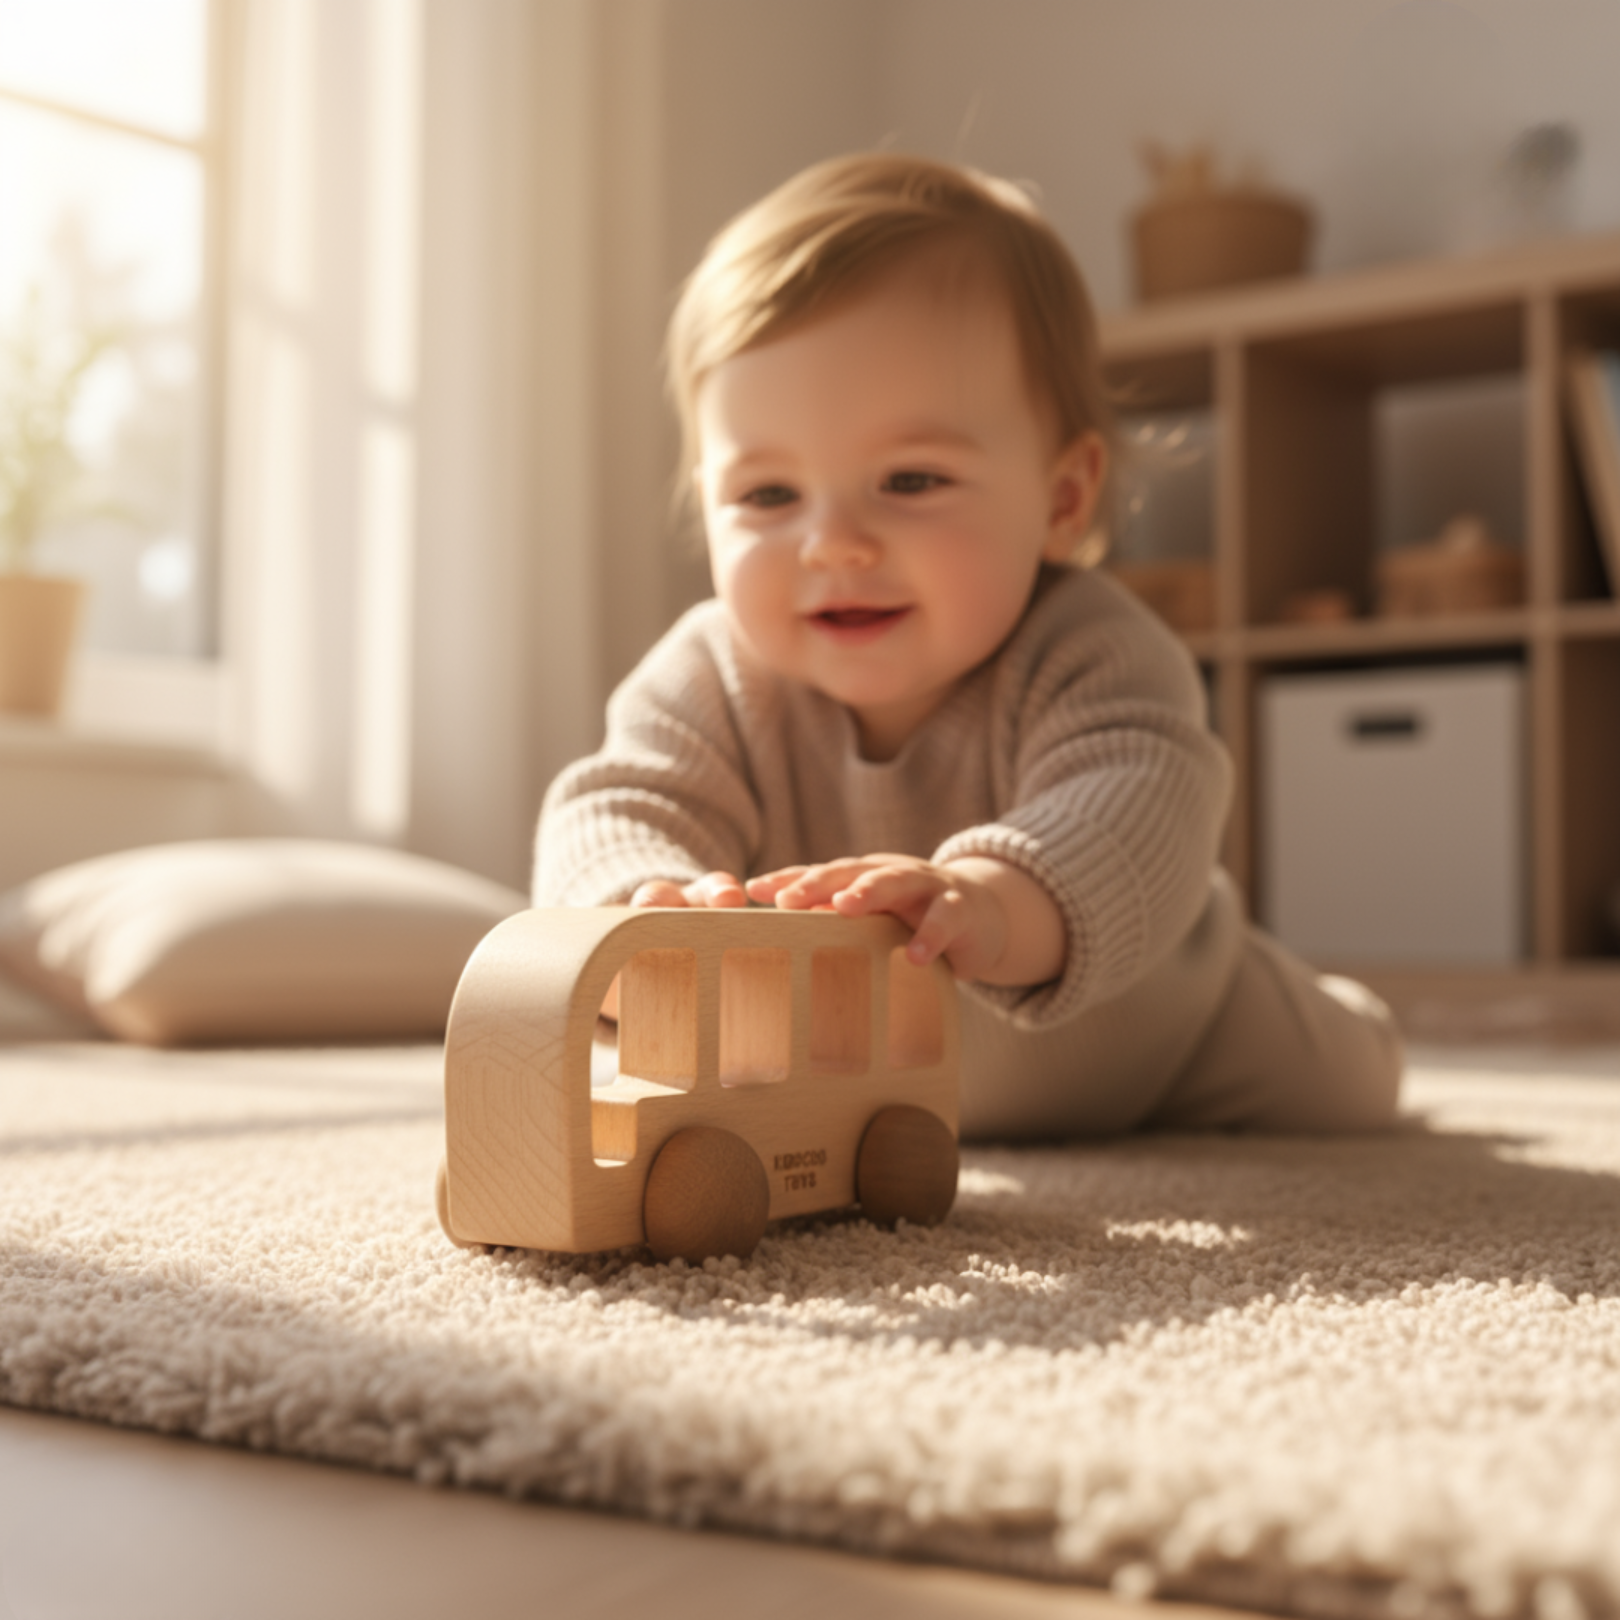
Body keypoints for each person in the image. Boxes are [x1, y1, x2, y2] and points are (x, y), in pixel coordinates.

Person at [534, 153, 1401, 1140]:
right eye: (768, 495)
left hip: (1163, 1030)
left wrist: (986, 899)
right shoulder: (709, 676)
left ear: (1062, 499)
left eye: (909, 480)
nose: (832, 544)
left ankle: (1344, 1013)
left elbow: (1140, 801)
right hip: (859, 1075)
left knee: (1355, 1089)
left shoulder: (1093, 647)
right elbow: (616, 803)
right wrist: (636, 909)